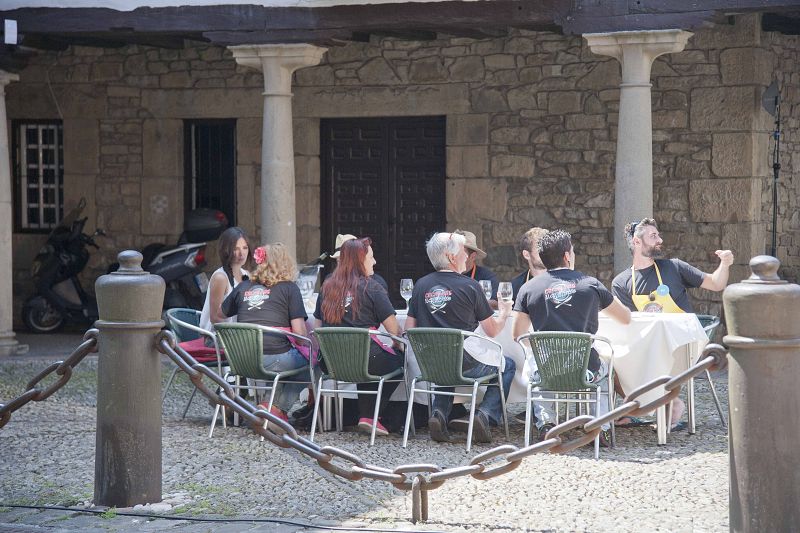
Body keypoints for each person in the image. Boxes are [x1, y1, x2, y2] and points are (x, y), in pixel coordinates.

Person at [611, 217, 734, 429]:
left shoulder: (674, 268)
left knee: (648, 358)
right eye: (653, 236)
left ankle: (657, 406)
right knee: (615, 366)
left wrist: (725, 264)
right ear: (637, 242)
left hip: (682, 346)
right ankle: (656, 405)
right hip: (648, 345)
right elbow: (629, 324)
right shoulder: (621, 283)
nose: (660, 239)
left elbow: (716, 283)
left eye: (658, 235)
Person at [512, 229, 631, 443]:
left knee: (537, 365)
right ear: (567, 256)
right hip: (586, 370)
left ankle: (546, 423)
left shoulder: (528, 289)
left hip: (546, 370)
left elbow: (518, 335)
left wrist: (541, 346)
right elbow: (625, 318)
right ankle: (601, 427)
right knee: (606, 371)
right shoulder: (590, 284)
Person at [405, 231, 516, 444]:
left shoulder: (420, 285)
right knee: (508, 365)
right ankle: (485, 415)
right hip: (466, 363)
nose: (466, 255)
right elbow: (492, 331)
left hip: (431, 363)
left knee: (446, 363)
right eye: (463, 251)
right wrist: (503, 313)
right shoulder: (471, 286)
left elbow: (409, 329)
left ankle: (438, 413)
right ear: (450, 256)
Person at [315, 237, 404, 437]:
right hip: (366, 360)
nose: (374, 262)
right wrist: (399, 347)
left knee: (369, 358)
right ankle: (370, 416)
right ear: (359, 260)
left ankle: (367, 417)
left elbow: (318, 327)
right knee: (396, 362)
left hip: (330, 363)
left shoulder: (327, 286)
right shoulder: (372, 288)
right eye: (371, 257)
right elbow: (395, 331)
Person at [220, 242, 310, 424]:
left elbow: (221, 313)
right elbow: (300, 335)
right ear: (285, 263)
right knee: (314, 364)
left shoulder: (243, 286)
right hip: (272, 359)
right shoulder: (289, 288)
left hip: (240, 360)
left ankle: (269, 407)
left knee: (283, 362)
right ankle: (277, 409)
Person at [199, 226, 252, 334]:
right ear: (226, 250)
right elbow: (215, 318)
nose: (242, 253)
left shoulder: (247, 275)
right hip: (216, 336)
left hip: (240, 334)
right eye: (236, 249)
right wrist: (241, 332)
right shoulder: (221, 278)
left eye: (245, 248)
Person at [455, 229, 499, 310]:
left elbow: (496, 303)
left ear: (473, 256)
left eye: (459, 253)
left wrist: (466, 302)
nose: (454, 256)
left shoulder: (486, 276)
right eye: (453, 252)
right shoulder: (445, 274)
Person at [511, 227, 548, 300]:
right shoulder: (516, 286)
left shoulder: (563, 280)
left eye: (548, 248)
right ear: (526, 255)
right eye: (540, 249)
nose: (546, 253)